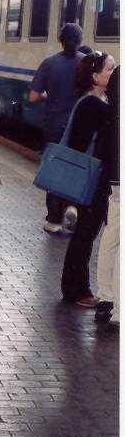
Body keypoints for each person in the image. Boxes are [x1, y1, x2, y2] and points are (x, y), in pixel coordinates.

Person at [60, 51, 116, 306]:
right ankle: (77, 290)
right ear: (95, 76)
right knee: (85, 234)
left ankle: (74, 287)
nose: (115, 73)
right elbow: (81, 144)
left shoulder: (89, 102)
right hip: (91, 179)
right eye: (110, 69)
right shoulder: (94, 106)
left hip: (89, 178)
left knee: (84, 234)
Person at [29, 23, 85, 234]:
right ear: (80, 41)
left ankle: (53, 219)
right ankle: (72, 205)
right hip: (79, 123)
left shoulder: (49, 63)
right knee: (76, 166)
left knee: (53, 167)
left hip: (53, 123)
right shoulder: (86, 63)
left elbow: (33, 97)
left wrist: (48, 96)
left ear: (60, 40)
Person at [95, 65, 119, 325]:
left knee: (113, 233)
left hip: (115, 168)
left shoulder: (118, 75)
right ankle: (119, 310)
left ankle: (106, 296)